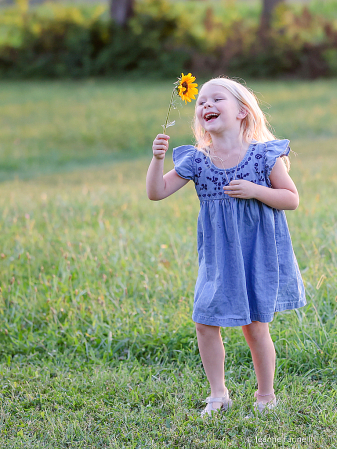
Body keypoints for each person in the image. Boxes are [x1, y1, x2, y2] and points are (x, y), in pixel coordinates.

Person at [146, 77, 306, 418]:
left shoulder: (265, 155)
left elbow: (290, 199)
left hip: (256, 253)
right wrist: (157, 158)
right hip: (219, 257)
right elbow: (156, 191)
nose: (206, 105)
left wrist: (255, 190)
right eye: (201, 101)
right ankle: (218, 394)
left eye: (216, 99)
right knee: (205, 320)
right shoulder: (197, 160)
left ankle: (265, 395)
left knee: (255, 326)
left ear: (242, 112)